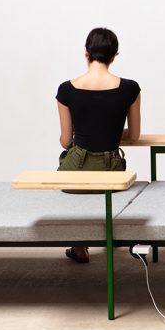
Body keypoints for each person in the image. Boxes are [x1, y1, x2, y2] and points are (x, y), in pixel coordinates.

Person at [56, 28, 141, 263]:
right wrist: (108, 130)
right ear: (114, 56)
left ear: (85, 53)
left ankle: (79, 245)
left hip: (74, 175)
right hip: (111, 172)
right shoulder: (130, 88)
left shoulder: (66, 89)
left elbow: (65, 140)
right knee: (103, 190)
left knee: (77, 179)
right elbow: (134, 135)